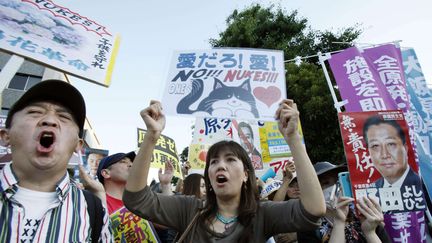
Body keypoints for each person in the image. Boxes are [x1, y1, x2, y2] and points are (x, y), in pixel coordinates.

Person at [123, 99, 325, 242]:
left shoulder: (262, 214)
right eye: (213, 162)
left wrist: (293, 140)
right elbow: (137, 199)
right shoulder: (189, 210)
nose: (220, 165)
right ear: (209, 176)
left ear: (246, 174)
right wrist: (152, 135)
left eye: (230, 159)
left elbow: (313, 209)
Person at [0, 80, 111, 242]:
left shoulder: (94, 211)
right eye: (35, 112)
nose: (50, 121)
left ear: (78, 145)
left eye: (63, 117)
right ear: (5, 135)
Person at [297, 162, 390, 243]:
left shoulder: (363, 215)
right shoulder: (308, 227)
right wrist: (339, 222)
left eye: (338, 181)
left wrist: (370, 232)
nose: (335, 187)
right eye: (325, 183)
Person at [363, 116, 421, 189]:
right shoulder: (369, 191)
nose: (384, 155)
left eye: (391, 144)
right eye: (375, 146)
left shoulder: (425, 185)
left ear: (405, 148)